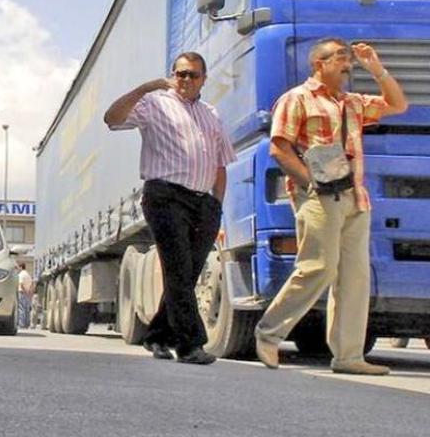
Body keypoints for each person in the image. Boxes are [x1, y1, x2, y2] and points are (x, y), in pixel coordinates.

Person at [255, 39, 408, 375]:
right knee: (318, 267)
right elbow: (280, 148)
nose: (347, 64)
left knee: (355, 277)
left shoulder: (352, 102)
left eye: (348, 59)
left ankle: (349, 355)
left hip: (355, 195)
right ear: (318, 64)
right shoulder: (297, 98)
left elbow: (397, 105)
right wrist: (310, 183)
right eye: (339, 57)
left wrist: (377, 68)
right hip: (319, 196)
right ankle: (269, 333)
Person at [104, 51, 234, 365]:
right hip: (165, 196)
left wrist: (216, 204)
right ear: (172, 75)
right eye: (180, 74)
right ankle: (190, 345)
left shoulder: (211, 113)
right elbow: (112, 119)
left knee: (187, 274)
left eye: (193, 75)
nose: (185, 80)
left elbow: (220, 163)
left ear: (204, 79)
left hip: (203, 202)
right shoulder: (155, 104)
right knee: (177, 267)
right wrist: (143, 88)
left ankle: (158, 335)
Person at [16, 262, 33, 329]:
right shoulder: (28, 275)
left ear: (20, 267)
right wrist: (29, 292)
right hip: (28, 293)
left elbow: (21, 284)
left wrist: (25, 291)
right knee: (27, 309)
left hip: (22, 292)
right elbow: (31, 284)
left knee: (21, 309)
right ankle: (27, 324)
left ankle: (21, 324)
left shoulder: (21, 275)